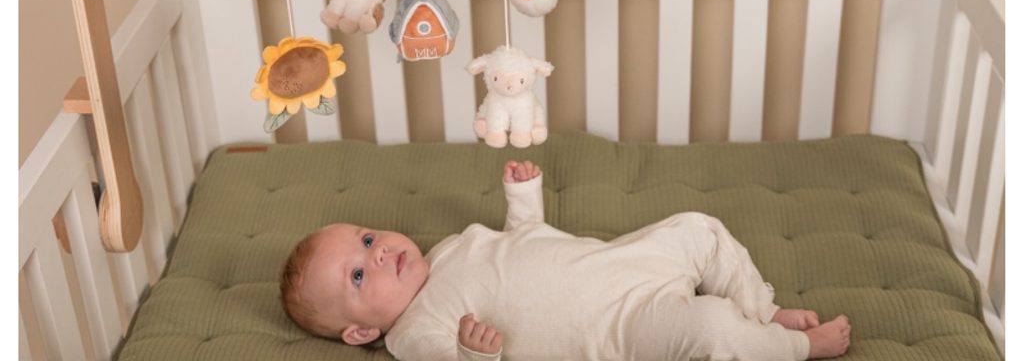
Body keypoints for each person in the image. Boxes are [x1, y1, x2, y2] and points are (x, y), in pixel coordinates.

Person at [280, 160, 851, 360]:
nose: (378, 252)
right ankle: (797, 347)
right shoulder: (412, 331)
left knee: (697, 229)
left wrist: (523, 200)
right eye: (359, 274)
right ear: (361, 331)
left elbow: (526, 243)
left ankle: (762, 309)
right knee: (710, 328)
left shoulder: (449, 247)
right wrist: (472, 352)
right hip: (625, 330)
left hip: (625, 262)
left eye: (366, 239)